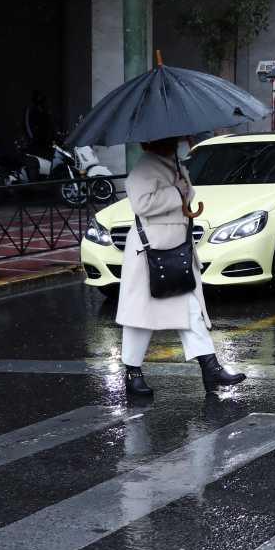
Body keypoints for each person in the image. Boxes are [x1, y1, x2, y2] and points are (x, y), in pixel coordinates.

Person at [116, 136, 246, 397]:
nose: (177, 144)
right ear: (153, 143)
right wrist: (176, 192)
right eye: (172, 141)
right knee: (140, 318)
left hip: (176, 249)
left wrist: (182, 188)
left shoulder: (172, 164)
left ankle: (211, 368)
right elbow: (142, 204)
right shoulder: (144, 168)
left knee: (190, 310)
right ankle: (132, 373)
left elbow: (184, 195)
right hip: (149, 252)